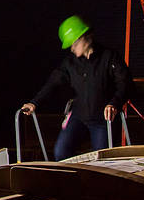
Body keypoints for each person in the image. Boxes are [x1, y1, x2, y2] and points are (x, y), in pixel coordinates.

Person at [21, 16, 133, 161]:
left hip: (102, 119)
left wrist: (114, 103)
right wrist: (34, 102)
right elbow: (52, 83)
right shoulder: (70, 63)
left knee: (102, 161)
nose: (72, 48)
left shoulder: (109, 57)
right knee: (61, 152)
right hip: (79, 116)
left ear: (85, 37)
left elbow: (126, 84)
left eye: (74, 43)